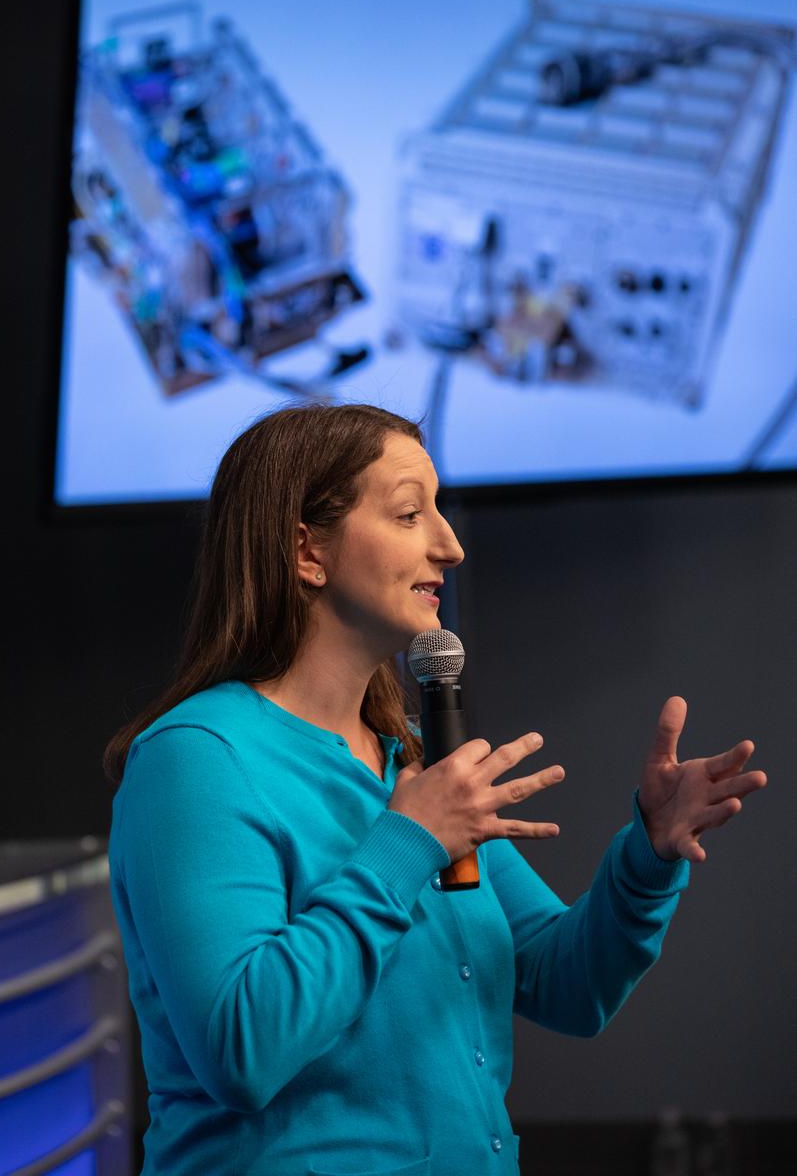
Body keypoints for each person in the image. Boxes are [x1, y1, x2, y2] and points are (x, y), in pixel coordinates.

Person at [105, 402, 766, 1176]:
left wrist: (648, 858)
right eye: (410, 513)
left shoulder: (406, 771)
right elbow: (242, 1050)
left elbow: (568, 985)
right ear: (304, 549)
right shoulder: (196, 760)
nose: (449, 546)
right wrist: (408, 843)